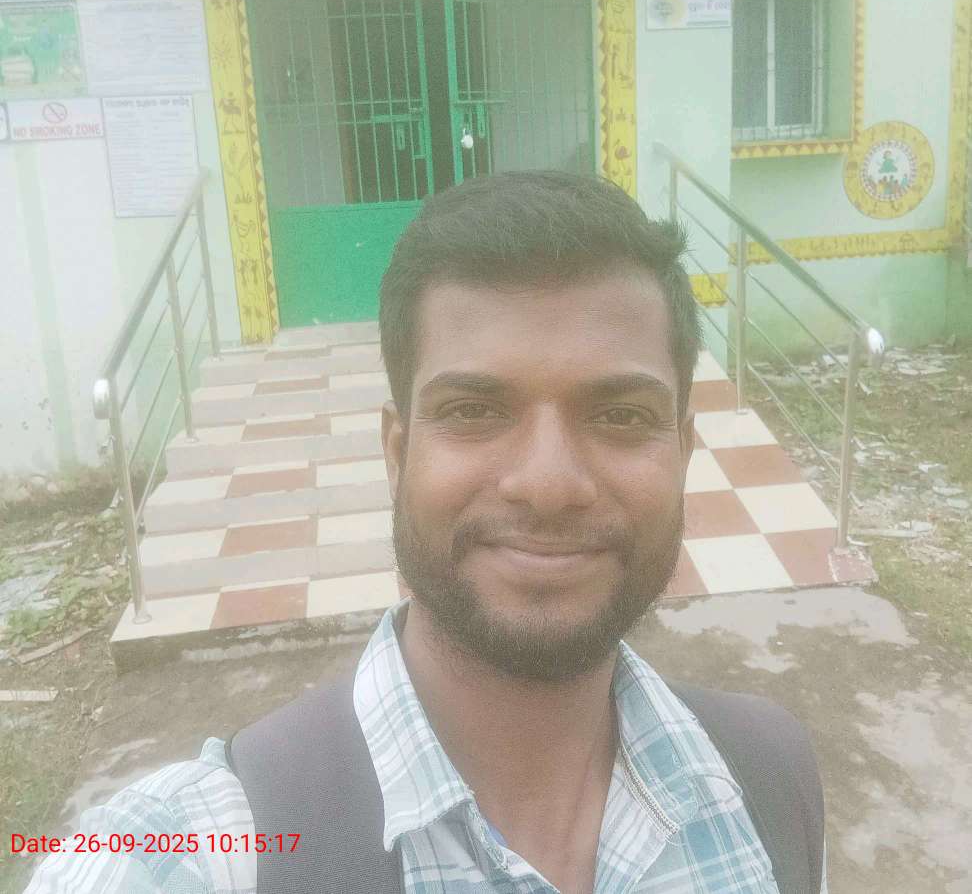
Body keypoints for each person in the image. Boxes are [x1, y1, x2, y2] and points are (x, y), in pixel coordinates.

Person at [26, 171, 825, 893]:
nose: (548, 485)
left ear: (682, 451)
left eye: (620, 416)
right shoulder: (186, 855)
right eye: (473, 411)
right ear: (397, 452)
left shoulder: (769, 783)